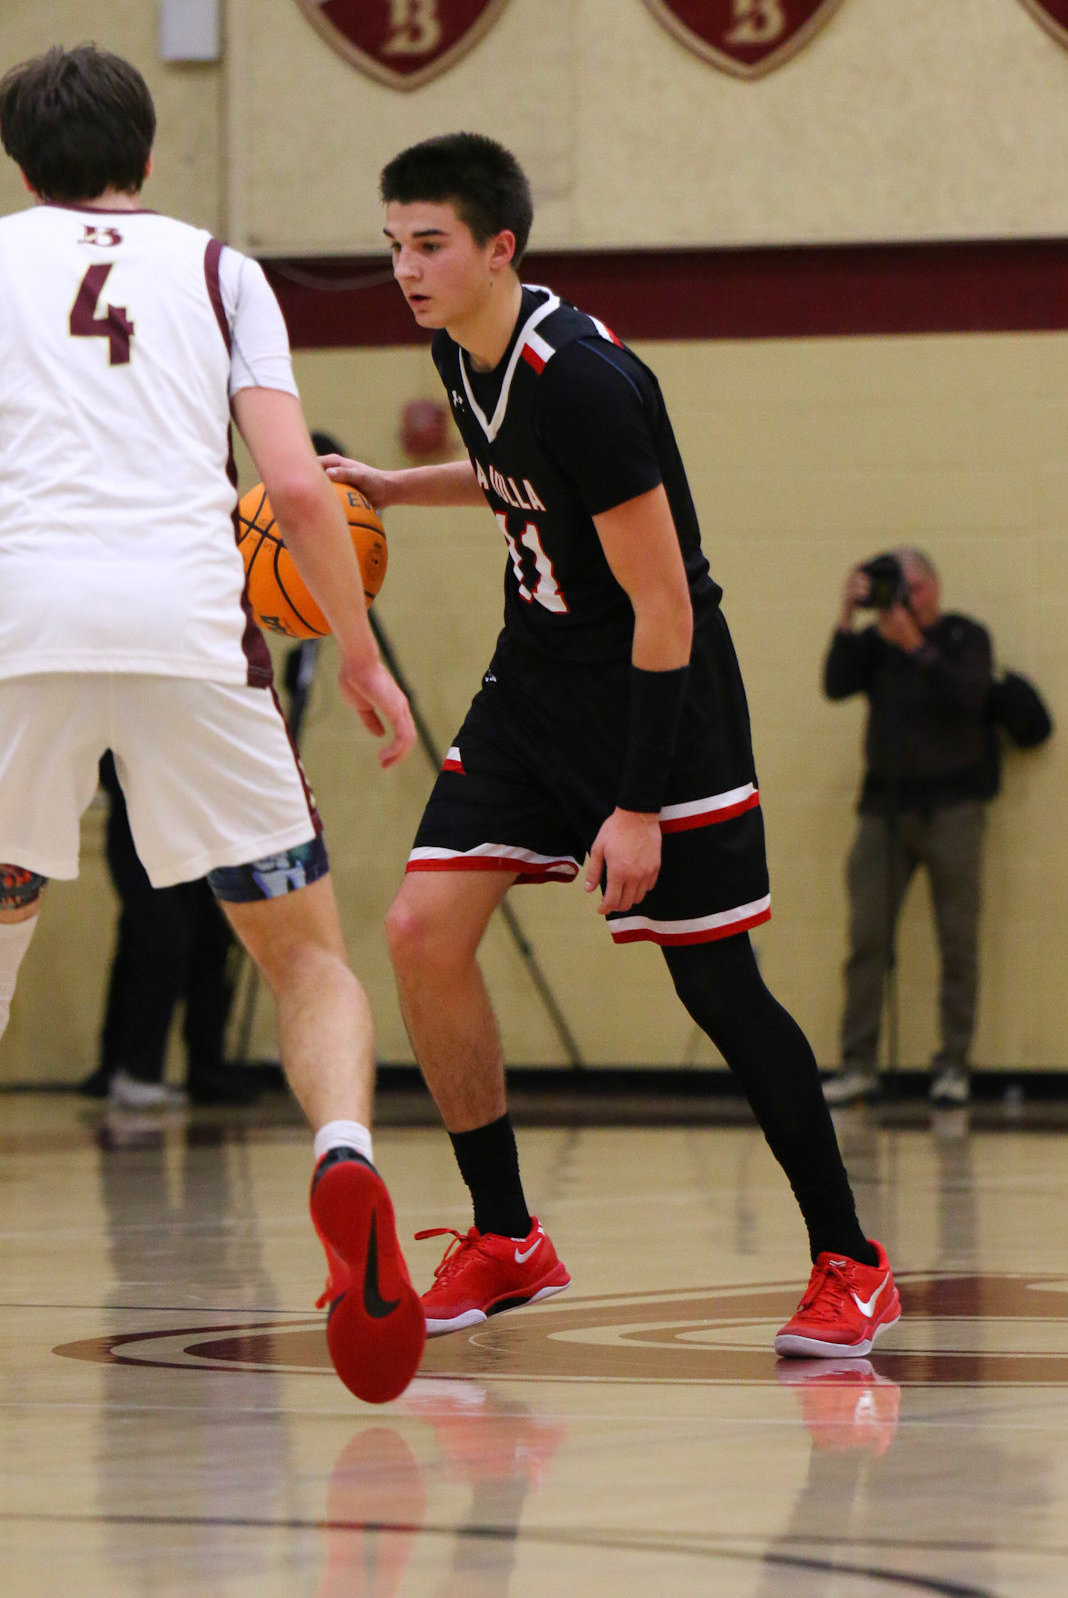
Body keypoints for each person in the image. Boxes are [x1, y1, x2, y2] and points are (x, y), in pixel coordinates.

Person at [323, 132, 900, 1360]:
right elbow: (513, 478)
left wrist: (636, 807)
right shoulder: (459, 347)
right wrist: (393, 483)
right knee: (422, 930)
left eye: (428, 244)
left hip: (658, 701)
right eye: (393, 245)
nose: (406, 268)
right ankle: (506, 1235)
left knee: (718, 987)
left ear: (499, 248)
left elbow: (666, 605)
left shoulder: (583, 378)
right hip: (534, 687)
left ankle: (852, 1258)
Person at [0, 44, 425, 1405]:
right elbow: (295, 487)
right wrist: (358, 653)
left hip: (23, 623)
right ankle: (344, 1152)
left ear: (20, 162)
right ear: (147, 152)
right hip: (192, 626)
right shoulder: (219, 270)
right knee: (306, 958)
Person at [820, 549, 996, 1109]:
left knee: (958, 942)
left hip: (953, 808)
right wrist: (847, 617)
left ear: (936, 587)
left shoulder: (964, 637)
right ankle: (858, 1064)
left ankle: (954, 1066)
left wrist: (916, 646)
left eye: (915, 588)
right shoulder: (876, 644)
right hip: (885, 810)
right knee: (866, 939)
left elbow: (970, 697)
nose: (906, 600)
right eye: (898, 589)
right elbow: (835, 684)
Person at [83, 753, 254, 1111]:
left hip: (202, 828)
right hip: (140, 825)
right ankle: (135, 1070)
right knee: (162, 939)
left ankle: (204, 1067)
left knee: (210, 939)